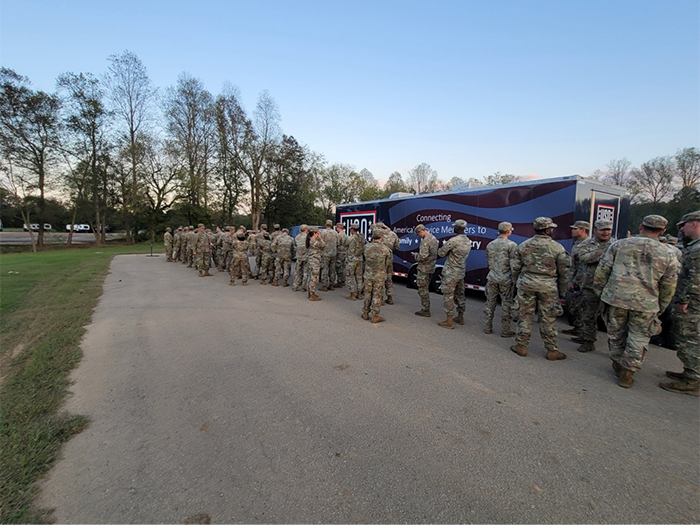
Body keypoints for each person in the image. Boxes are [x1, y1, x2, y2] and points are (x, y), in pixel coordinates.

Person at [593, 215, 680, 388]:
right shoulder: (669, 253)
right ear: (662, 231)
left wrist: (601, 293)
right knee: (639, 337)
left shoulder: (619, 245)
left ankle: (618, 362)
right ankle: (629, 371)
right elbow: (669, 285)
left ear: (641, 226)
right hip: (646, 303)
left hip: (616, 298)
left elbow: (602, 271)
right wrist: (661, 306)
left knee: (616, 334)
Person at [510, 217, 570, 360]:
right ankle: (552, 350)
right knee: (548, 318)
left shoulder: (523, 245)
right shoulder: (557, 247)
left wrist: (516, 282)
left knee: (525, 315)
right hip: (548, 286)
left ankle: (521, 345)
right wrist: (562, 291)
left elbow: (515, 267)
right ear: (548, 230)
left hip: (527, 283)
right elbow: (564, 272)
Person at [660, 210, 700, 396]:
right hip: (693, 301)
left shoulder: (698, 249)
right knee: (690, 339)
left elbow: (694, 279)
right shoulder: (694, 246)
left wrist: (683, 300)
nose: (681, 229)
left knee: (689, 339)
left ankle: (693, 381)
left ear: (695, 223)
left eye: (683, 225)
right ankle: (690, 372)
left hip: (692, 304)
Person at [572, 220, 614, 353]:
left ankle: (616, 347)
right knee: (588, 314)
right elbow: (584, 258)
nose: (605, 232)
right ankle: (588, 340)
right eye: (602, 230)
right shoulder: (587, 244)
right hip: (590, 285)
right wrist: (605, 252)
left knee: (613, 319)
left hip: (610, 287)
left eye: (608, 229)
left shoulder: (616, 244)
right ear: (595, 230)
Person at [483, 221, 517, 336]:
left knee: (490, 302)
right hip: (505, 279)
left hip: (492, 277)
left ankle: (487, 327)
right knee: (506, 304)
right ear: (508, 231)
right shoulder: (512, 245)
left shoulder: (490, 244)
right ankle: (505, 330)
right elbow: (514, 264)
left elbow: (488, 261)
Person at [436, 219, 471, 329]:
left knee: (448, 295)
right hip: (461, 271)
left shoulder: (454, 240)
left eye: (454, 226)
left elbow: (441, 253)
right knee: (460, 294)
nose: (453, 228)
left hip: (451, 272)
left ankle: (449, 320)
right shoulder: (467, 240)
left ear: (457, 228)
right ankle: (460, 316)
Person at [563, 220, 590, 338]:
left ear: (583, 230)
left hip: (581, 281)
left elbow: (582, 266)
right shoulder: (577, 244)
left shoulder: (587, 245)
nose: (572, 230)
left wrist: (575, 282)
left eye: (575, 228)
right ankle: (577, 327)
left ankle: (584, 332)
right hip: (574, 278)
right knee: (574, 305)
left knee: (581, 306)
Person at [361, 228, 392, 323]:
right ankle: (375, 315)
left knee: (367, 294)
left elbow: (364, 259)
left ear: (372, 236)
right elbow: (388, 264)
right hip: (379, 275)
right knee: (377, 295)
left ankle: (365, 313)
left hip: (368, 274)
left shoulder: (366, 247)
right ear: (381, 237)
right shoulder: (386, 249)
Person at [413, 224, 438, 317]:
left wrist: (416, 256)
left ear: (421, 231)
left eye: (418, 234)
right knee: (426, 287)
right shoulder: (433, 238)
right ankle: (426, 307)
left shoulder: (425, 241)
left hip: (424, 268)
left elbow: (423, 256)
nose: (419, 236)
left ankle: (425, 309)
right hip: (431, 267)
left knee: (422, 289)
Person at [378, 222, 400, 304]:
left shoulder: (379, 233)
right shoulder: (393, 234)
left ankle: (380, 298)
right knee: (389, 277)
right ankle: (390, 297)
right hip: (390, 257)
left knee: (380, 278)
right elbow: (397, 247)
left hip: (380, 258)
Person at [345, 221, 365, 301]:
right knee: (359, 277)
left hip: (351, 260)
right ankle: (359, 294)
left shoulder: (350, 238)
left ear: (352, 230)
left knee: (350, 277)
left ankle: (352, 294)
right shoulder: (362, 238)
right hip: (359, 259)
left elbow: (345, 244)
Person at [306, 227, 326, 301]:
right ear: (314, 233)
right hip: (314, 261)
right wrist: (320, 238)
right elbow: (323, 245)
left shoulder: (310, 240)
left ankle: (311, 292)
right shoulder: (314, 241)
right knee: (314, 278)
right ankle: (312, 294)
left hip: (313, 260)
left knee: (311, 277)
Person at [319, 219, 338, 291]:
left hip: (325, 253)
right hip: (333, 253)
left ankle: (324, 285)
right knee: (332, 269)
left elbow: (320, 242)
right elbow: (338, 242)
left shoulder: (323, 232)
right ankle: (332, 284)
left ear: (326, 224)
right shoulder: (335, 233)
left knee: (325, 268)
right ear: (332, 225)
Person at [293, 224, 309, 292]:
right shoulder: (308, 237)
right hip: (306, 257)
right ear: (306, 229)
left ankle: (295, 286)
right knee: (305, 272)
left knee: (297, 271)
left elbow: (294, 246)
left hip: (299, 256)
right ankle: (304, 286)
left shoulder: (297, 237)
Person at [335, 222, 348, 287]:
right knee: (343, 267)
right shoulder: (345, 234)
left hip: (340, 252)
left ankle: (339, 281)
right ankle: (343, 280)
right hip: (344, 252)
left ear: (339, 227)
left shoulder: (339, 235)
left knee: (339, 266)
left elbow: (337, 243)